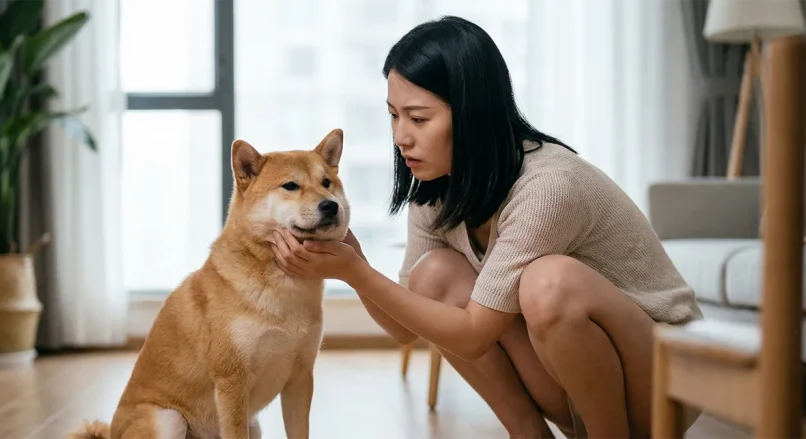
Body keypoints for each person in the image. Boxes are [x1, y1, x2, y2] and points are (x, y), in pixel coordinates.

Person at [269, 15, 704, 439]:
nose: (401, 136)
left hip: (664, 382)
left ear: (472, 114)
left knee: (549, 282)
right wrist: (352, 259)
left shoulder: (547, 186)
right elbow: (406, 328)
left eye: (418, 119)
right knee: (434, 275)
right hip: (577, 383)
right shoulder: (436, 186)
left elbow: (475, 336)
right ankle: (527, 432)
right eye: (393, 116)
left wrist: (355, 272)